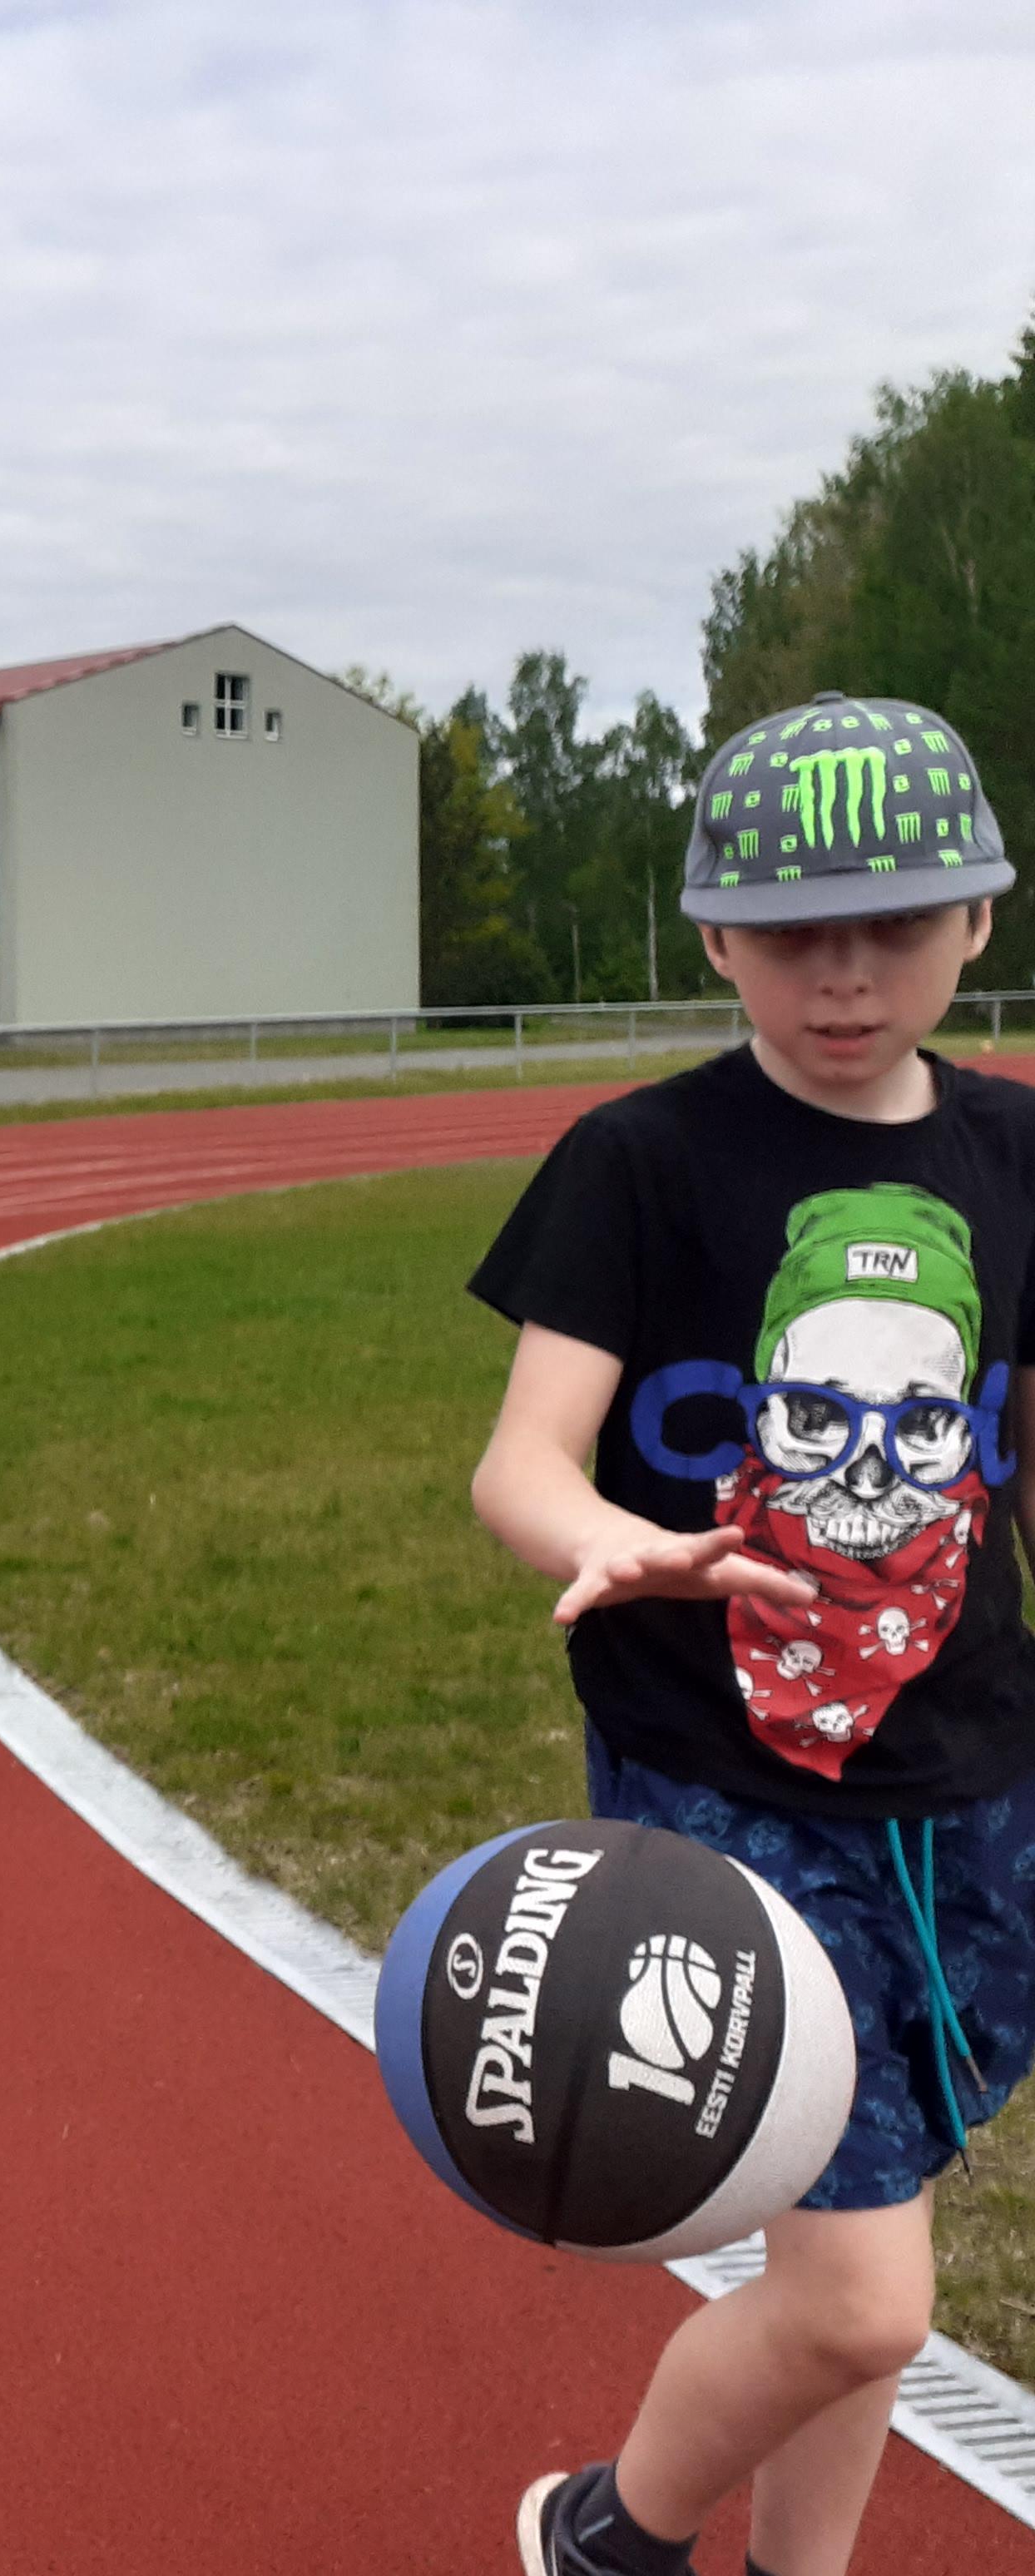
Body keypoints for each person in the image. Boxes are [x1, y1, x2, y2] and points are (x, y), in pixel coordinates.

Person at [468, 694, 1024, 2576]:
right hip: (724, 1785)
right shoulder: (636, 1160)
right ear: (713, 935)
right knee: (861, 2296)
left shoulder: (1016, 1155)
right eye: (791, 931)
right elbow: (518, 1465)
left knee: (858, 2252)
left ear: (976, 918)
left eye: (895, 922)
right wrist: (617, 1541)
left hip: (967, 1779)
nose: (842, 973)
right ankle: (604, 2535)